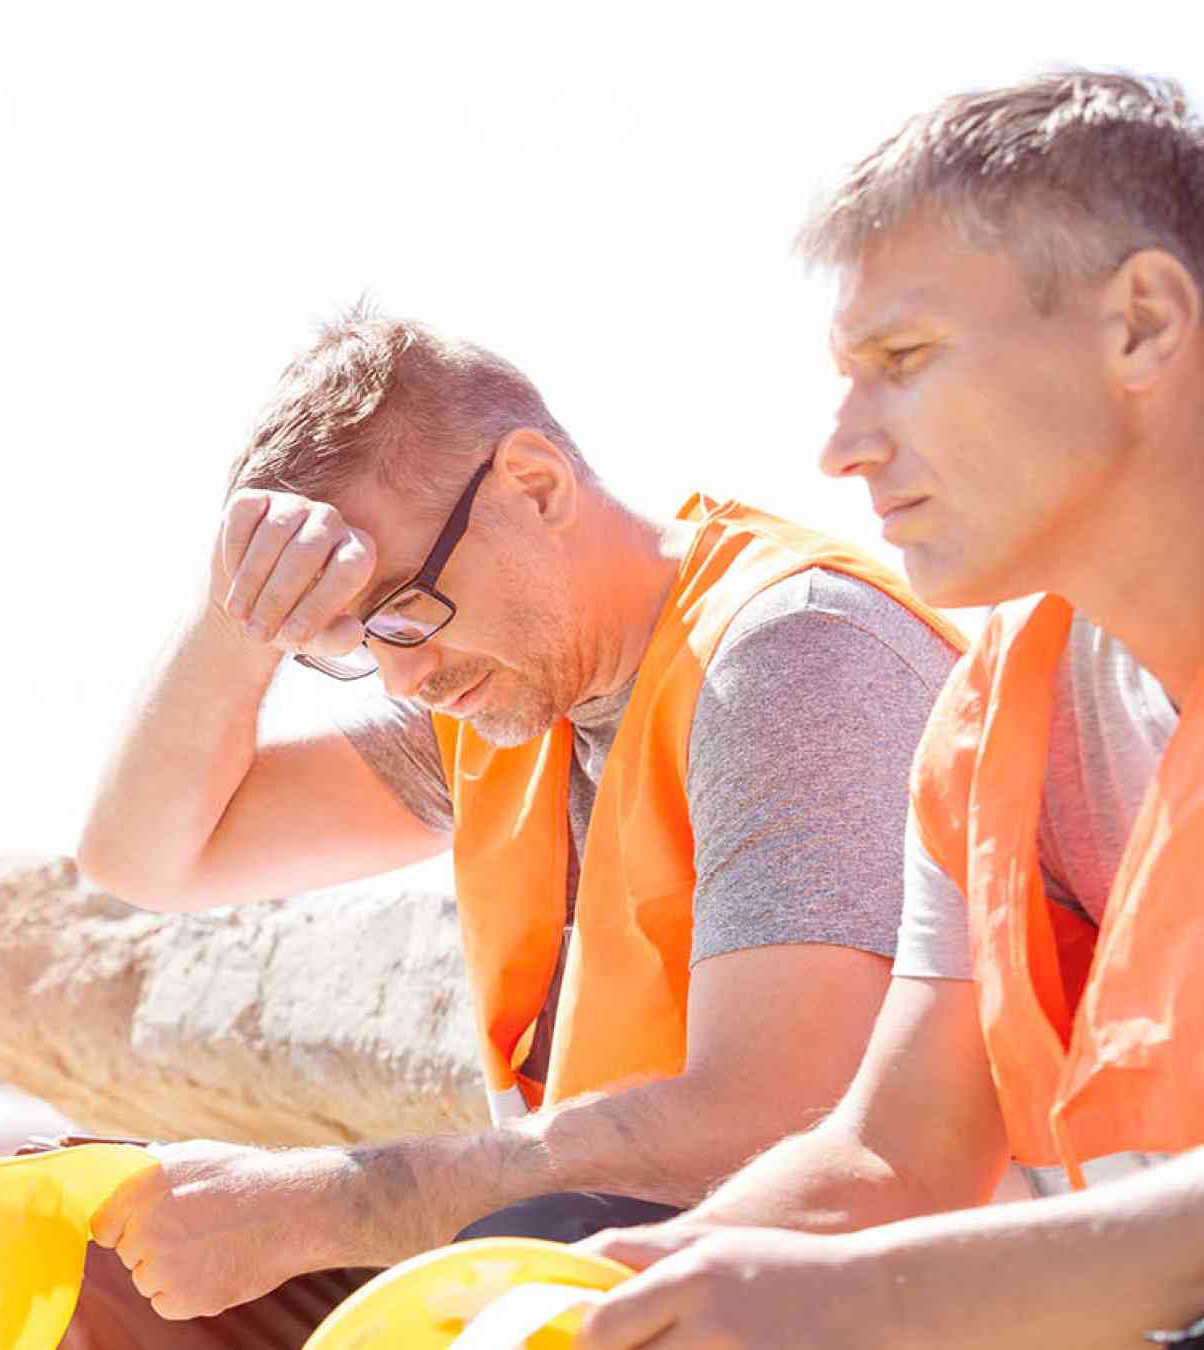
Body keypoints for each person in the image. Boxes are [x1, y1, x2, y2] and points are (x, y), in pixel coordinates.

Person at [64, 302, 963, 1345]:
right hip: (590, 1256)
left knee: (541, 1237)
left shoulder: (797, 653)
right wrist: (237, 618)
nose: (404, 671)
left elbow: (782, 1119)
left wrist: (316, 1205)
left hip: (812, 1284)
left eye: (404, 607)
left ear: (534, 486)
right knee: (110, 1255)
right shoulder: (501, 711)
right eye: (351, 635)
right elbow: (144, 857)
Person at [576, 69, 1204, 1350]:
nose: (841, 444)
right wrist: (605, 1301)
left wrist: (868, 1302)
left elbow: (882, 1270)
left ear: (1142, 324)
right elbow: (891, 1159)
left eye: (902, 362)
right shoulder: (987, 738)